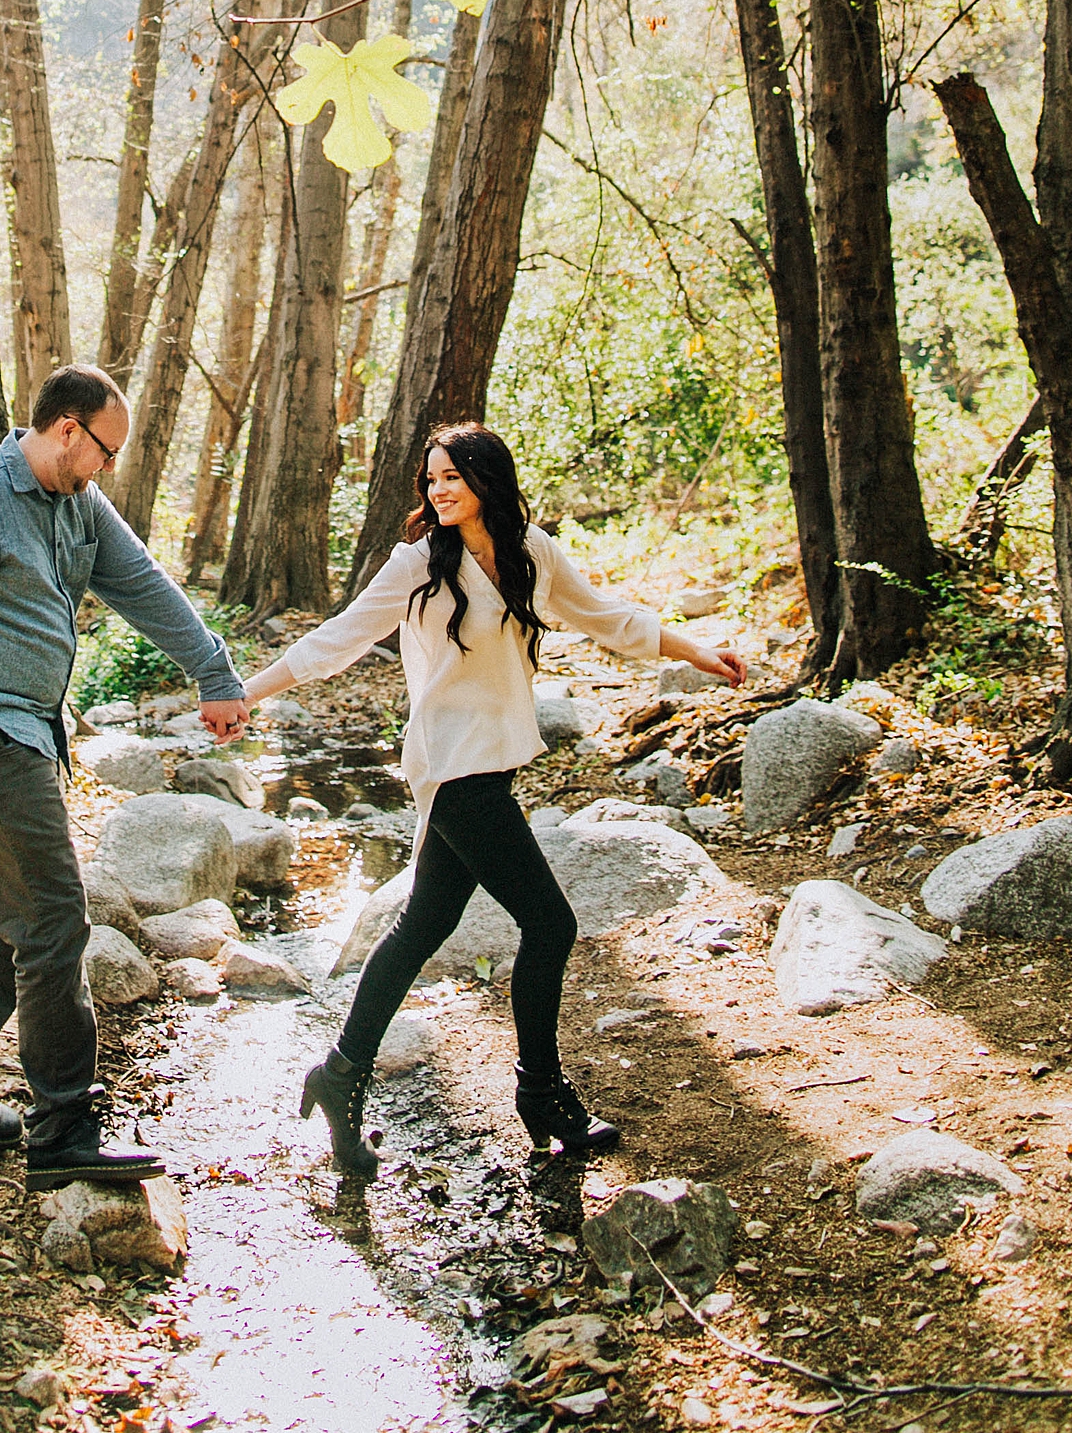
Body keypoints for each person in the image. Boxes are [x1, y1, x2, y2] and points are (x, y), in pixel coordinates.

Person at [240, 421, 745, 1179]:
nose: (439, 491)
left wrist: (695, 650)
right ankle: (541, 1095)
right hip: (452, 768)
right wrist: (241, 694)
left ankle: (340, 1076)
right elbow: (336, 641)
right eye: (431, 480)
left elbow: (606, 615)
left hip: (491, 766)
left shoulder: (530, 551)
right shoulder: (417, 564)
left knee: (421, 926)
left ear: (487, 482)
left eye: (452, 478)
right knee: (550, 923)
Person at [0, 362, 251, 1186]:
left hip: (26, 737)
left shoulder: (78, 505)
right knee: (58, 919)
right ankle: (63, 1126)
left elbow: (143, 586)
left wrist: (214, 671)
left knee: (15, 920)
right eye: (107, 450)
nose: (110, 467)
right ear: (68, 429)